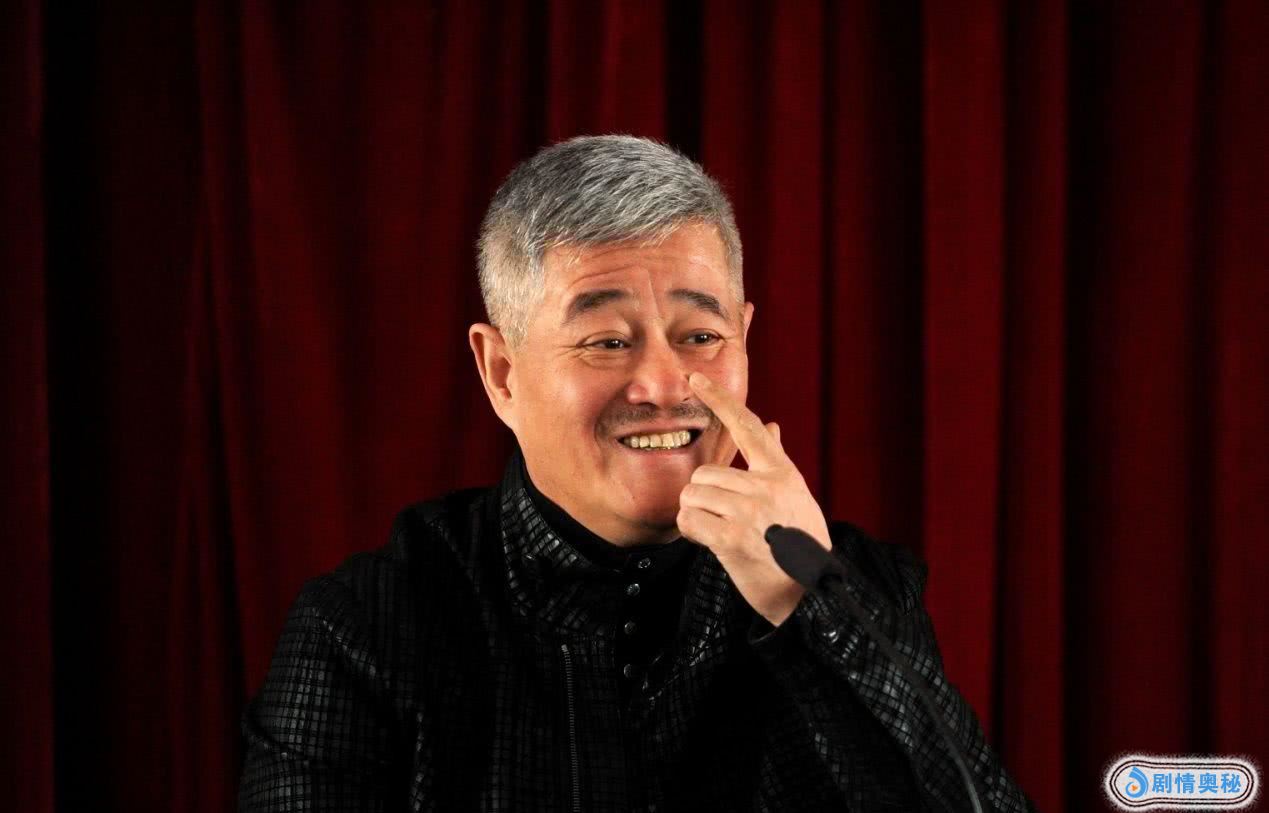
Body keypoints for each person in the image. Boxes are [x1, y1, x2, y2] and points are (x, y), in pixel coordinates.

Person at [238, 135, 1036, 812]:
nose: (661, 384)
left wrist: (806, 605)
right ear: (501, 372)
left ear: (744, 340)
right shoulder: (367, 629)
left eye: (700, 336)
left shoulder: (856, 587)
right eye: (608, 342)